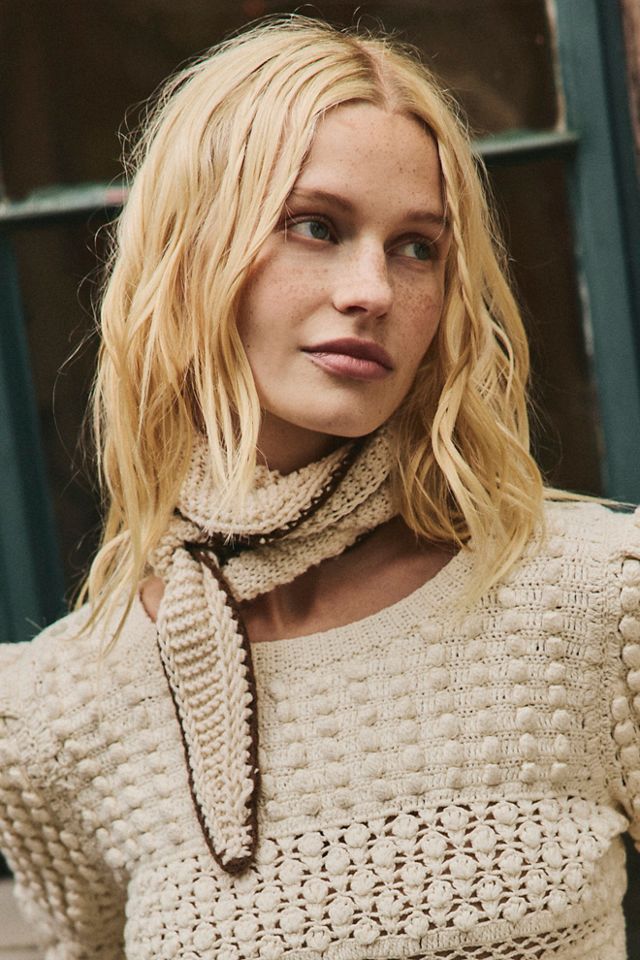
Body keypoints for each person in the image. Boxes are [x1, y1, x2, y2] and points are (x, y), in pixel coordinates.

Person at [0, 14, 639, 960]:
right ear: (191, 253)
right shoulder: (61, 713)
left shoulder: (598, 601)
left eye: (417, 247)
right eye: (316, 226)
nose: (372, 289)